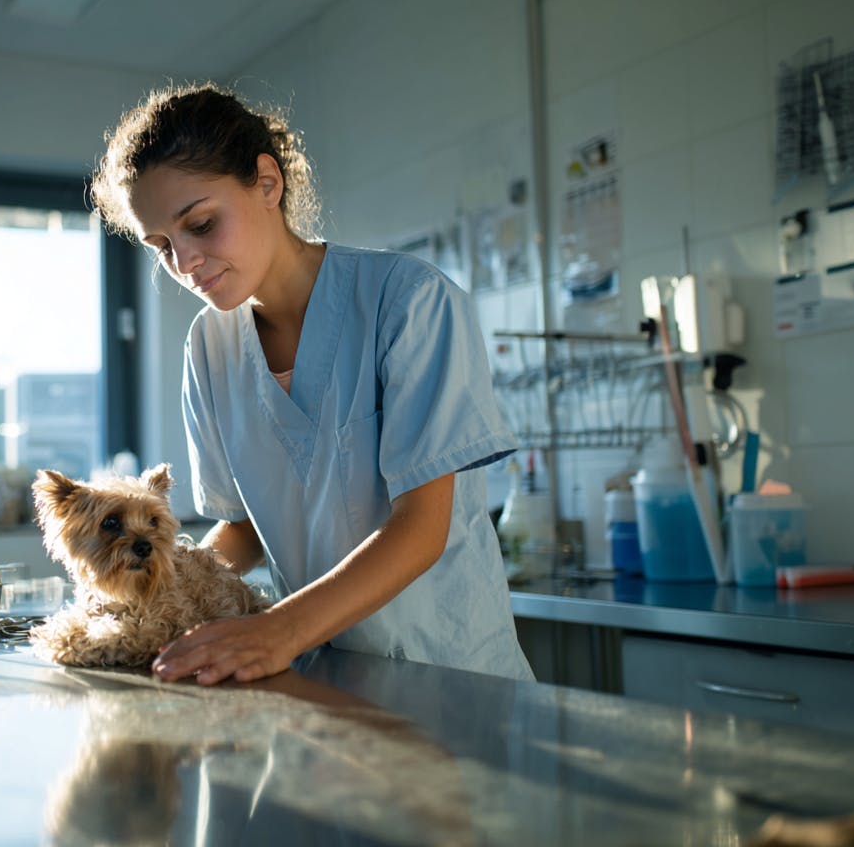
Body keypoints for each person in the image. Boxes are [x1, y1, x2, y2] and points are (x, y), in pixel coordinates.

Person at [89, 82, 534, 685]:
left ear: (267, 183)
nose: (184, 263)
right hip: (316, 677)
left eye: (201, 224)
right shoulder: (209, 345)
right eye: (162, 245)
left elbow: (421, 528)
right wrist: (151, 593)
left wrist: (277, 631)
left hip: (448, 672)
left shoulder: (408, 303)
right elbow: (244, 530)